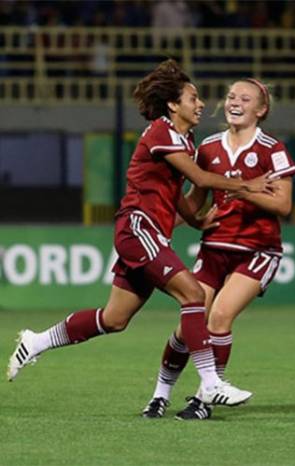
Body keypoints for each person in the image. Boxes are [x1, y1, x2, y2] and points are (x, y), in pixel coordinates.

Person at [6, 60, 275, 411]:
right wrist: (247, 184)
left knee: (114, 319)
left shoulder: (185, 139)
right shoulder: (160, 132)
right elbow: (203, 180)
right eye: (193, 98)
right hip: (138, 227)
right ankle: (210, 383)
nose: (202, 104)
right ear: (173, 105)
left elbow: (176, 192)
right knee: (193, 295)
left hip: (150, 234)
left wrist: (195, 221)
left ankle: (36, 341)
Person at [142, 78, 295, 420]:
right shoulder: (208, 147)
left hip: (258, 250)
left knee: (220, 317)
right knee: (187, 327)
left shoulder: (272, 149)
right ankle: (159, 395)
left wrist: (243, 192)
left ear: (261, 110)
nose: (234, 102)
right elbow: (195, 201)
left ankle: (203, 400)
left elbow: (283, 204)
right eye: (230, 96)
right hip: (214, 248)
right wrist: (159, 224)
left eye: (245, 98)